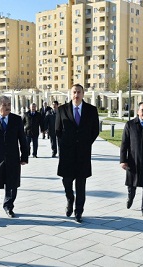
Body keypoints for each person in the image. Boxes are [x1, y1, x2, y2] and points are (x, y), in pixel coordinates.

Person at [55, 84, 99, 223]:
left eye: (79, 92)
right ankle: (70, 200)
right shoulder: (62, 110)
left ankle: (79, 211)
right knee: (66, 182)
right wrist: (66, 144)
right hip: (67, 154)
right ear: (70, 93)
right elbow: (58, 130)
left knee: (81, 185)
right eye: (74, 92)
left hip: (83, 154)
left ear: (83, 93)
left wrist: (85, 144)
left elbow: (95, 130)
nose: (76, 95)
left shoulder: (91, 110)